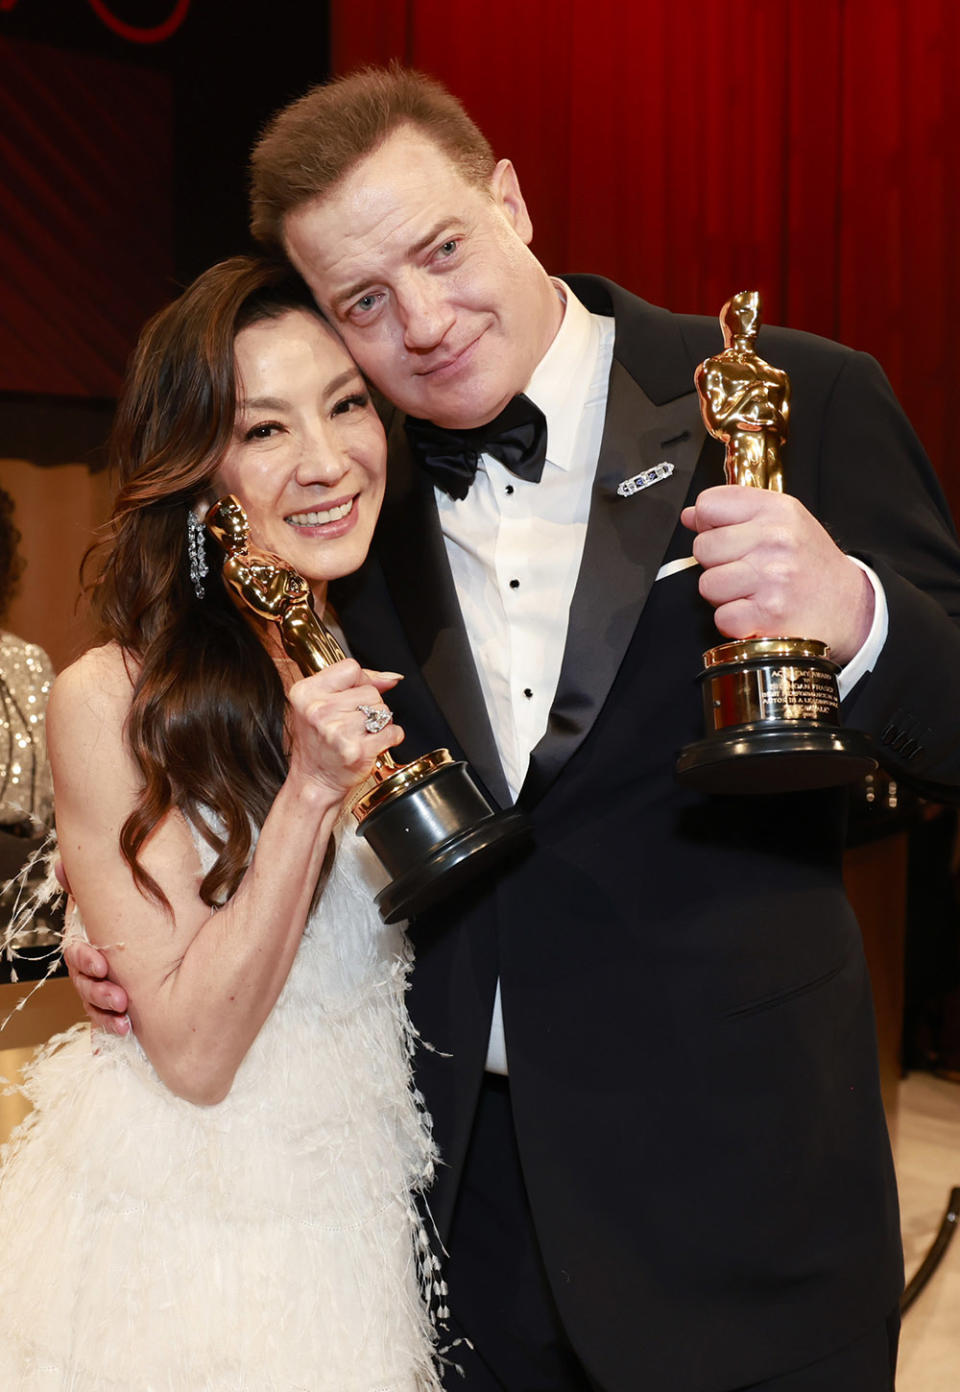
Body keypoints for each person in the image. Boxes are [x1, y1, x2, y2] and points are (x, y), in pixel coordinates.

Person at [73, 68, 960, 1392]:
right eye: (362, 301)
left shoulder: (796, 397)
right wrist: (147, 918)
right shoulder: (343, 492)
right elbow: (228, 717)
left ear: (512, 200)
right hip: (450, 1216)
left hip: (747, 1192)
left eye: (440, 249)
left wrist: (859, 617)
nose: (421, 323)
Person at [1, 254, 444, 1391]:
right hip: (200, 1228)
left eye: (346, 405)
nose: (327, 460)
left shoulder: (408, 650)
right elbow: (193, 1054)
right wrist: (305, 795)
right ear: (198, 478)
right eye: (264, 430)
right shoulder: (116, 699)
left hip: (367, 1203)